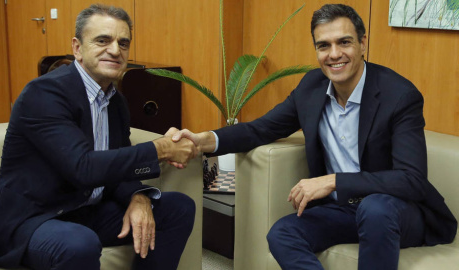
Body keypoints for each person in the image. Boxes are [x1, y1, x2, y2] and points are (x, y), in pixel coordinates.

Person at [169, 4, 457, 270]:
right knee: (283, 233)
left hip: (397, 213)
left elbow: (412, 179)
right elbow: (261, 129)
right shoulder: (312, 87)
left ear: (363, 44)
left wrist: (333, 181)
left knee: (375, 207)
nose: (334, 54)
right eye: (324, 46)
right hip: (344, 211)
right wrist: (204, 140)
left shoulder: (399, 96)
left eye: (344, 42)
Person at [0, 4, 197, 270]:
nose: (116, 51)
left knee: (178, 208)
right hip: (32, 218)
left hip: (86, 210)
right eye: (103, 40)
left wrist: (138, 196)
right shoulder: (45, 94)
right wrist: (160, 149)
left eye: (123, 43)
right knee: (79, 243)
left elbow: (116, 166)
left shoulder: (116, 101)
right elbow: (82, 167)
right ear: (77, 48)